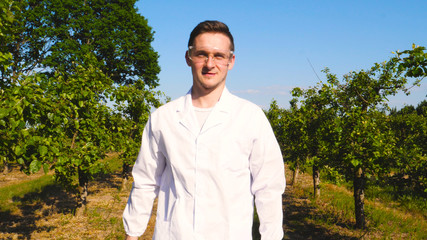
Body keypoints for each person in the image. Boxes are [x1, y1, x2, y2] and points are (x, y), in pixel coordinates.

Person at [123, 20, 286, 240]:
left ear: (231, 60)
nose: (210, 64)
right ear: (188, 58)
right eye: (201, 54)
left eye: (219, 55)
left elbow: (268, 188)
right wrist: (132, 234)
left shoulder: (251, 118)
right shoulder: (163, 118)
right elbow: (145, 181)